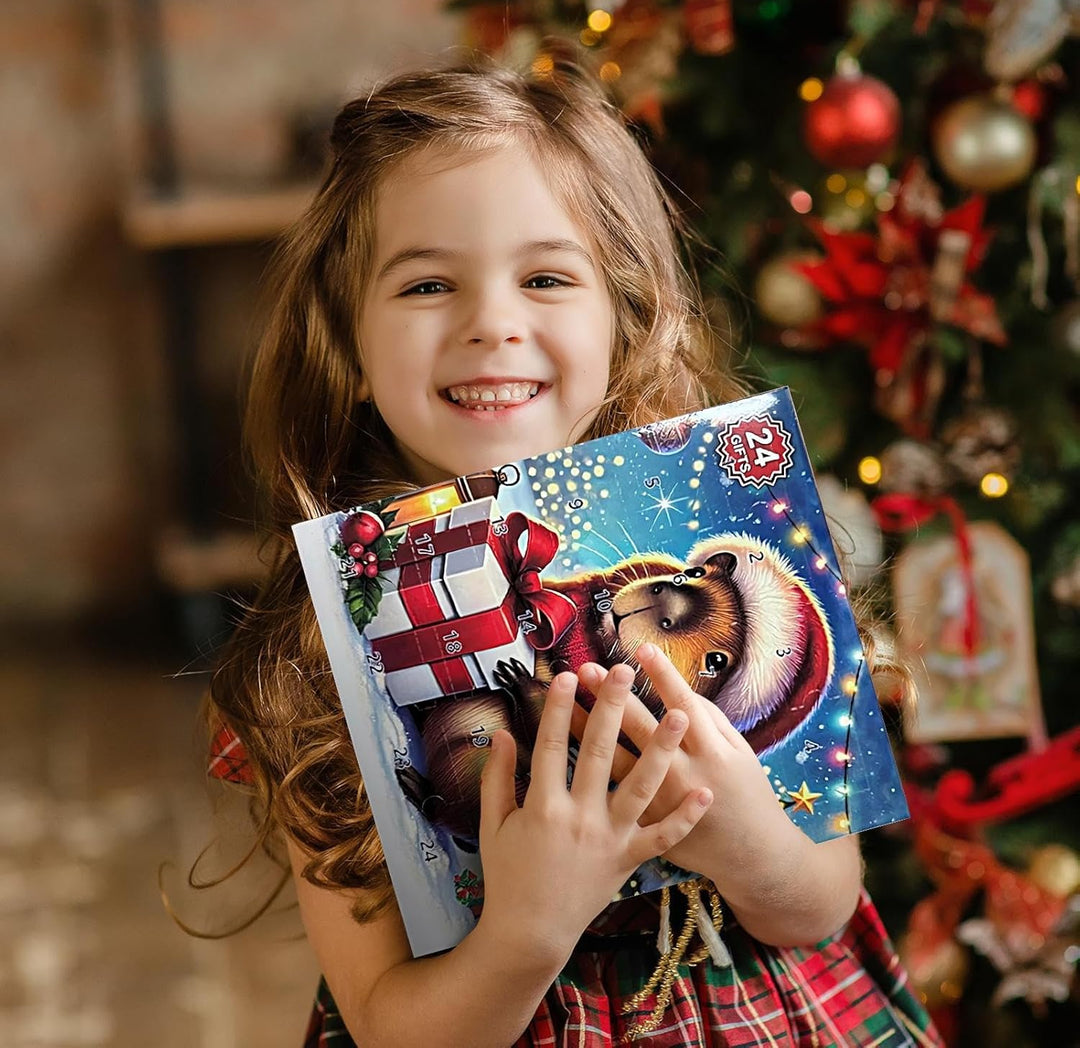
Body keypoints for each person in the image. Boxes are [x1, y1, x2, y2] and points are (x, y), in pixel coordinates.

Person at [203, 53, 944, 1047]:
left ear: (623, 314)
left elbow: (818, 905)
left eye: (546, 276)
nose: (492, 325)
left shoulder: (744, 542)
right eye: (427, 284)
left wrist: (746, 836)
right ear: (349, 345)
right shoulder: (321, 662)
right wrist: (527, 928)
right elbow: (388, 1024)